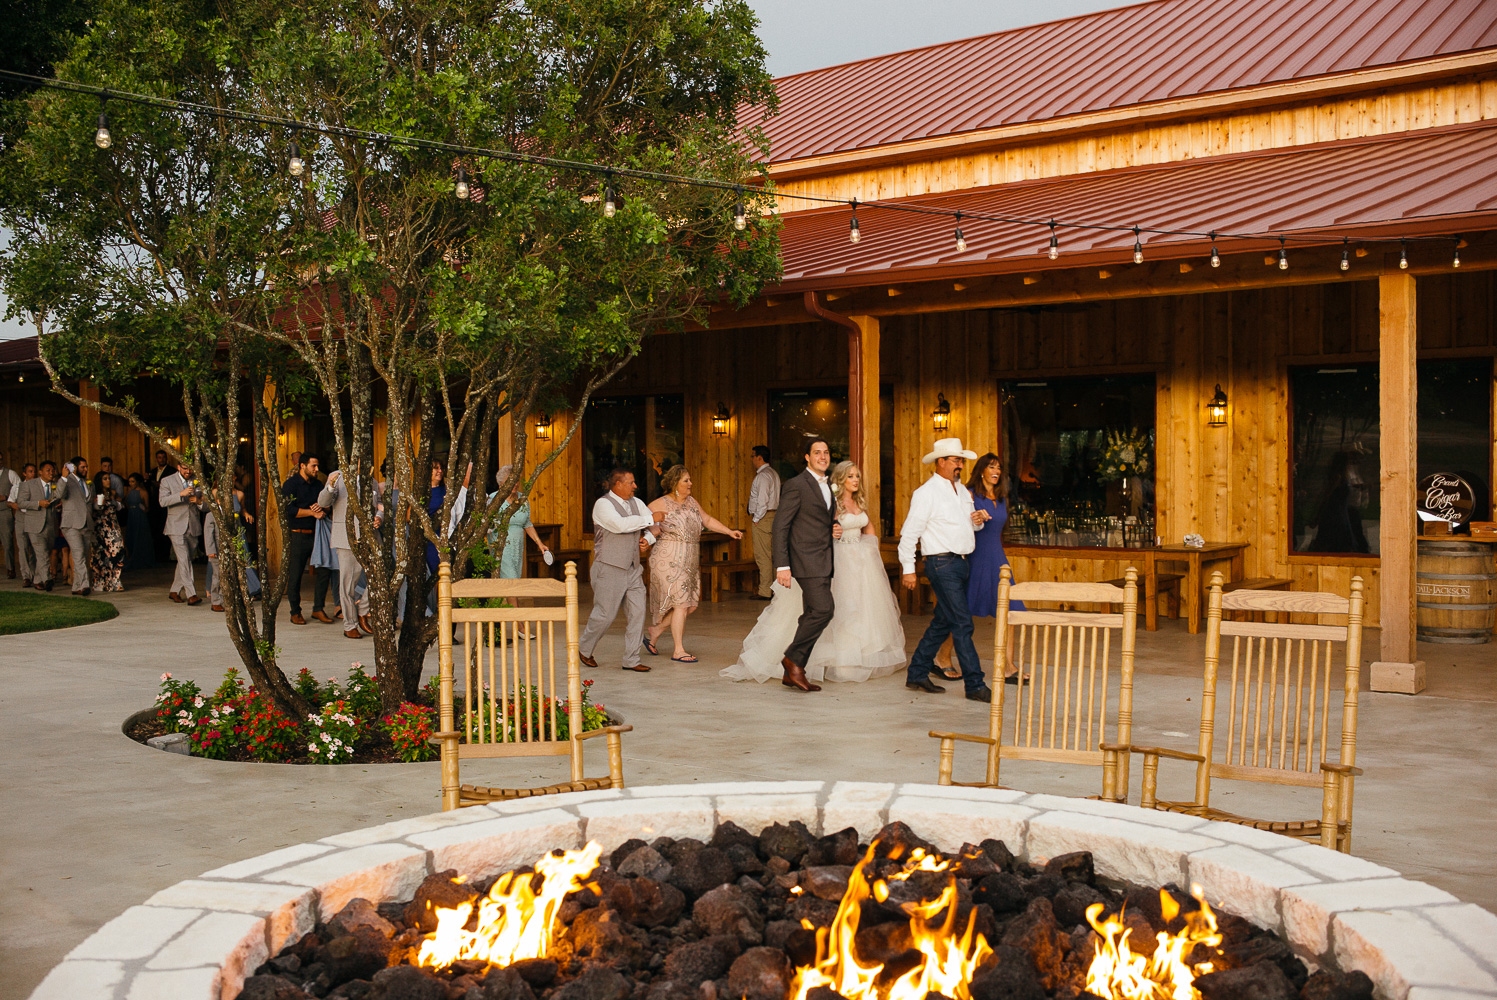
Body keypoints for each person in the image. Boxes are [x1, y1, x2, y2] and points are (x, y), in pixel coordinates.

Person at [726, 460, 905, 685]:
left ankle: (857, 657)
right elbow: (821, 529)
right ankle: (832, 660)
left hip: (861, 560)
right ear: (841, 479)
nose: (856, 480)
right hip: (837, 559)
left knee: (862, 607)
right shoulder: (832, 503)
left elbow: (868, 527)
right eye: (850, 476)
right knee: (837, 607)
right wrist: (834, 533)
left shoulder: (858, 502)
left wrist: (870, 549)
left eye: (857, 476)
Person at [899, 437, 991, 702]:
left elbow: (969, 527)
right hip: (941, 563)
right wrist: (908, 569)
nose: (960, 465)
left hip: (962, 562)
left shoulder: (963, 491)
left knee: (943, 621)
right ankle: (974, 684)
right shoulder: (926, 493)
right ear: (941, 462)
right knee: (962, 622)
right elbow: (909, 534)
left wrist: (977, 521)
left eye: (961, 460)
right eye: (955, 460)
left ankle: (917, 672)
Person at [933, 453, 1024, 682]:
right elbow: (959, 520)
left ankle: (1007, 666)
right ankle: (942, 657)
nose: (996, 471)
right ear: (981, 470)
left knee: (1011, 609)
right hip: (975, 557)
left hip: (998, 558)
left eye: (999, 467)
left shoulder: (1001, 497)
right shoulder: (969, 493)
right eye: (991, 467)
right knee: (963, 612)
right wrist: (974, 518)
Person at [643, 465, 743, 663]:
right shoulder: (658, 504)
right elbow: (645, 524)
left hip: (689, 558)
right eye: (686, 481)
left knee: (690, 605)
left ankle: (656, 631)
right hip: (668, 557)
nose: (690, 484)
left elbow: (707, 519)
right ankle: (678, 650)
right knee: (681, 604)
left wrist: (728, 531)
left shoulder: (691, 502)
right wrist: (647, 538)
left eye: (689, 480)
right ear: (674, 484)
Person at [770, 438, 842, 693]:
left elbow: (821, 519)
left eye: (826, 452)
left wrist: (835, 527)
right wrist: (782, 566)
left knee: (812, 613)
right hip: (805, 559)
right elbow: (780, 526)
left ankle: (794, 670)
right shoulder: (796, 485)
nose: (822, 456)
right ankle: (792, 659)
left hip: (824, 559)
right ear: (807, 457)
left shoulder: (829, 484)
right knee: (824, 610)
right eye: (817, 453)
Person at [578, 469, 665, 672]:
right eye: (631, 483)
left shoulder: (638, 503)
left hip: (633, 568)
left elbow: (656, 525)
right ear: (617, 484)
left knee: (638, 613)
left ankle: (631, 660)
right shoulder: (603, 504)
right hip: (608, 567)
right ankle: (585, 648)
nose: (635, 486)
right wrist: (651, 519)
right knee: (605, 615)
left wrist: (648, 540)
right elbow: (619, 525)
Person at [319, 467, 378, 638]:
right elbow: (323, 503)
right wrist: (329, 486)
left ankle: (363, 612)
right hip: (346, 538)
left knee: (379, 576)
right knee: (348, 585)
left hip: (370, 538)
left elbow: (379, 504)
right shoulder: (336, 477)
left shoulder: (372, 480)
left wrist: (379, 517)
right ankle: (349, 625)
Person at [282, 452, 328, 625]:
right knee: (296, 574)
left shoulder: (318, 485)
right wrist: (311, 512)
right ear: (302, 466)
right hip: (298, 534)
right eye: (313, 466)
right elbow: (289, 510)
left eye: (317, 466)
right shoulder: (290, 485)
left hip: (318, 534)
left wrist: (324, 508)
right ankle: (295, 611)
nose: (316, 469)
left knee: (324, 570)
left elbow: (325, 505)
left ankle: (318, 608)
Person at [490, 465, 548, 580]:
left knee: (513, 580)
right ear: (501, 483)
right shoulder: (493, 499)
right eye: (511, 481)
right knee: (512, 580)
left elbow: (527, 523)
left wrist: (539, 543)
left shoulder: (523, 498)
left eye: (517, 480)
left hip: (518, 547)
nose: (515, 483)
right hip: (502, 547)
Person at [160, 462, 203, 605]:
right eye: (185, 468)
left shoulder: (198, 480)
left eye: (191, 468)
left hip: (193, 525)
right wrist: (180, 494)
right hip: (176, 526)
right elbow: (162, 501)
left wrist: (198, 501)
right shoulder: (167, 481)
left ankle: (174, 590)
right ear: (178, 467)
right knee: (184, 560)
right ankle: (192, 594)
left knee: (185, 561)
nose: (188, 471)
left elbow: (205, 501)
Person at [17, 460, 59, 590]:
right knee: (42, 554)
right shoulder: (28, 485)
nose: (51, 473)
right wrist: (37, 504)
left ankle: (37, 579)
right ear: (40, 472)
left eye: (52, 470)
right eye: (48, 470)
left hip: (50, 524)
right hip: (34, 524)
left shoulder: (55, 485)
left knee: (45, 551)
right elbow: (21, 503)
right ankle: (47, 579)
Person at [56, 457, 95, 595]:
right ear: (75, 467)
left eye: (86, 467)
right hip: (71, 524)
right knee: (79, 555)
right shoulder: (67, 481)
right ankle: (85, 585)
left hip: (86, 523)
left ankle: (76, 587)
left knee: (84, 554)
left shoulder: (88, 483)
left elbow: (90, 503)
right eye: (83, 467)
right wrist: (63, 478)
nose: (86, 469)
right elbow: (59, 494)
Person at [747, 445, 779, 600]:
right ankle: (774, 589)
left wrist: (756, 519)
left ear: (759, 457)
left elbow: (762, 501)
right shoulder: (773, 473)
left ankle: (765, 591)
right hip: (773, 516)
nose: (752, 459)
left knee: (763, 556)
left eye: (753, 456)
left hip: (764, 517)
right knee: (772, 554)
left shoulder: (763, 476)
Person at [88, 469, 126, 592]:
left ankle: (115, 580)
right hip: (100, 527)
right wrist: (98, 503)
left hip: (113, 525)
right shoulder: (94, 494)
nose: (108, 481)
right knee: (101, 554)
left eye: (108, 478)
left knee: (118, 551)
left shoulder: (113, 493)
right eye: (105, 479)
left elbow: (121, 506)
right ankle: (101, 582)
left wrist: (115, 502)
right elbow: (94, 509)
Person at [7, 462, 35, 584]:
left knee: (35, 547)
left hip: (34, 517)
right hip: (21, 517)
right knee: (22, 547)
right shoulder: (17, 487)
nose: (32, 473)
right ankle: (26, 576)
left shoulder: (38, 486)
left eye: (34, 471)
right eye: (30, 471)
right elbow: (9, 501)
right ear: (24, 473)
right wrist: (13, 505)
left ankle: (34, 573)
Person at [122, 474, 156, 571]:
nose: (131, 483)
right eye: (129, 482)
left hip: (140, 516)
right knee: (130, 537)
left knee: (140, 537)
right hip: (131, 516)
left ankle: (142, 559)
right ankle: (132, 557)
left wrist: (141, 508)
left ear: (137, 482)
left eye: (132, 481)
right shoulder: (129, 491)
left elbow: (147, 508)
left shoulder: (143, 492)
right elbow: (126, 503)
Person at [145, 449, 172, 561]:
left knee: (165, 528)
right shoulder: (152, 472)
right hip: (154, 505)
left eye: (163, 457)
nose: (161, 460)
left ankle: (166, 554)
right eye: (159, 457)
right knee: (155, 529)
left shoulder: (172, 471)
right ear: (156, 459)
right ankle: (157, 554)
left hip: (166, 505)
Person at [0, 452, 19, 579]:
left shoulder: (10, 473)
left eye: (1, 459)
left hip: (4, 511)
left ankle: (10, 568)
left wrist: (8, 498)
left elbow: (18, 485)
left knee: (7, 541)